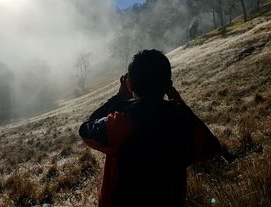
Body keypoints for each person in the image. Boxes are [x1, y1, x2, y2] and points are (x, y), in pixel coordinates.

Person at [79, 49, 221, 207]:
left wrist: (119, 98)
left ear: (130, 83)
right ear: (168, 84)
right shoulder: (182, 119)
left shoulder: (119, 123)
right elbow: (211, 147)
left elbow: (85, 128)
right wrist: (178, 103)